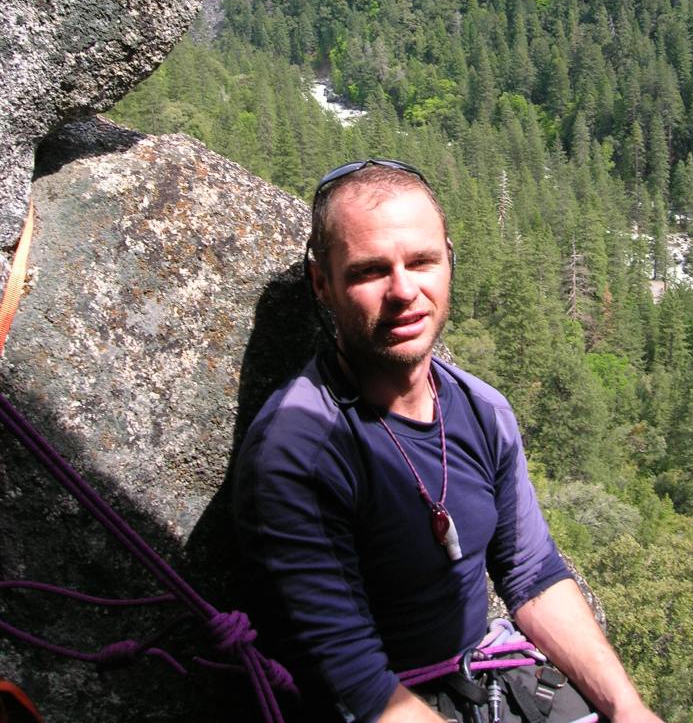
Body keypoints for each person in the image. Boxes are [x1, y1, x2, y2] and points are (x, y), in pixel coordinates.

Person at [233, 160, 664, 723]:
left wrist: (628, 708)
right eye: (368, 272)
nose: (404, 290)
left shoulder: (482, 410)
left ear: (449, 261)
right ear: (323, 284)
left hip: (479, 678)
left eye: (422, 261)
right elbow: (356, 681)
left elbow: (532, 574)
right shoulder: (300, 450)